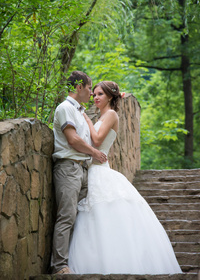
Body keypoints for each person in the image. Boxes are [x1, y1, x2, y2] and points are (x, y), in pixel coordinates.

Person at [68, 81, 182, 275]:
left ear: (111, 97)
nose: (95, 97)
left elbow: (96, 141)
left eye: (100, 94)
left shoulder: (111, 114)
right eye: (94, 94)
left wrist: (86, 119)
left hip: (100, 171)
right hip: (92, 170)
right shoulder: (103, 115)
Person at [51, 71, 107, 275]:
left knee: (79, 217)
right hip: (68, 168)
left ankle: (73, 262)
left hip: (82, 169)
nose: (92, 93)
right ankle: (59, 266)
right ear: (79, 87)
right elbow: (73, 140)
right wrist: (95, 153)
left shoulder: (79, 111)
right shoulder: (65, 108)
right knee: (66, 216)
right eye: (90, 88)